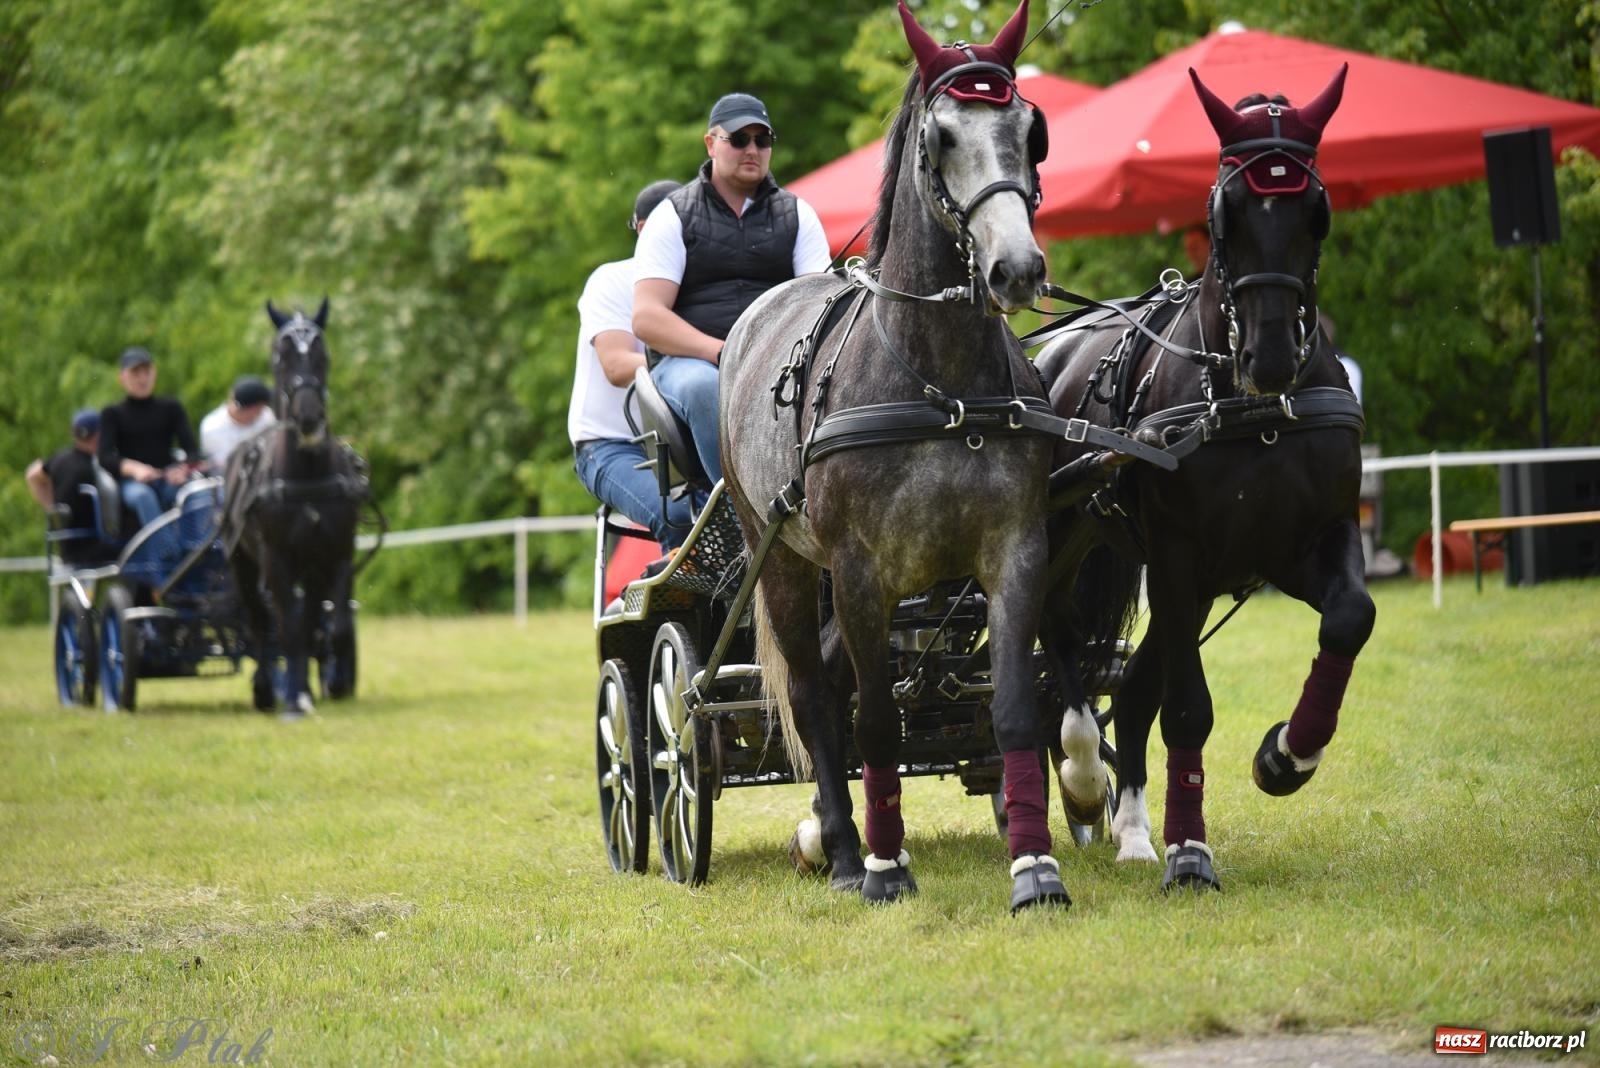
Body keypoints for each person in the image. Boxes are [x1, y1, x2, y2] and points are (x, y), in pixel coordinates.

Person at [632, 91, 832, 485]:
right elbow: (647, 317)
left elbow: (820, 304)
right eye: (739, 139)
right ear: (711, 143)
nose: (752, 149)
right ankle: (732, 503)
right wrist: (722, 353)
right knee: (706, 388)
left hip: (778, 362)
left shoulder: (798, 215)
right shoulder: (672, 215)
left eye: (763, 139)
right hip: (692, 364)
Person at [570, 179, 695, 550]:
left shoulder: (701, 287)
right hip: (611, 445)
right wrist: (697, 359)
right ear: (645, 229)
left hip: (683, 449)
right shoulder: (612, 280)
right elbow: (616, 365)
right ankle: (685, 586)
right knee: (679, 514)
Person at [98, 346, 199, 528]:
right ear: (122, 378)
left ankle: (201, 543)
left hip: (167, 477)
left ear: (154, 373)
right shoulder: (112, 413)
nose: (143, 378)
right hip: (132, 483)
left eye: (147, 372)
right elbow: (105, 457)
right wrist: (134, 468)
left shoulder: (171, 407)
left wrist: (183, 470)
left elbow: (192, 451)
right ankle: (165, 546)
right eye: (135, 373)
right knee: (143, 496)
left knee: (192, 493)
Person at [25, 409, 103, 530]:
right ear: (98, 435)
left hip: (65, 536)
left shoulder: (59, 459)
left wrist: (53, 510)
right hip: (97, 537)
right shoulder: (98, 464)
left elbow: (32, 474)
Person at [200, 374, 278, 470]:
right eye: (260, 407)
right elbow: (226, 464)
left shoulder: (267, 417)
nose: (263, 410)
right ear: (251, 409)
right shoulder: (212, 428)